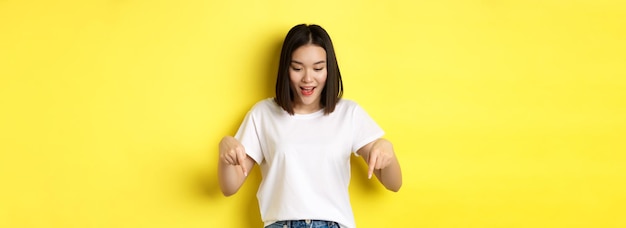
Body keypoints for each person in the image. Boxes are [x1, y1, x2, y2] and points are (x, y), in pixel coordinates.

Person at [218, 24, 402, 228]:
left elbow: (394, 184)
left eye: (318, 68)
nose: (307, 78)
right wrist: (225, 150)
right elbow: (229, 187)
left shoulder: (349, 114)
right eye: (297, 68)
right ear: (285, 69)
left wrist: (388, 151)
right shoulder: (263, 114)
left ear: (329, 69)